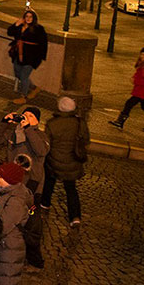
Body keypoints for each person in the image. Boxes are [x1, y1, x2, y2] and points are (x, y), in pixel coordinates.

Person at [43, 96, 90, 226]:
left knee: (49, 182)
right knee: (71, 189)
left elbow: (47, 143)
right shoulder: (80, 123)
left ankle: (45, 204)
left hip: (54, 160)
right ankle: (75, 216)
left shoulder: (52, 123)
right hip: (72, 161)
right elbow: (86, 140)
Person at [0, 106, 49, 193]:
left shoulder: (41, 136)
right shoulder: (14, 132)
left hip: (30, 179)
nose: (27, 117)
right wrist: (4, 122)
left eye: (30, 116)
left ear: (37, 121)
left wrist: (28, 129)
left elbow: (41, 151)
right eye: (25, 115)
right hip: (11, 175)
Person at [109, 46, 144, 133]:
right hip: (140, 89)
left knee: (129, 103)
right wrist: (134, 78)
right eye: (141, 54)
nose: (142, 56)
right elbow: (138, 73)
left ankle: (120, 121)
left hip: (143, 90)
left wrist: (136, 81)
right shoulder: (143, 63)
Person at [7, 9, 47, 104]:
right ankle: (34, 88)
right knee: (18, 73)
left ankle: (23, 96)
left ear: (34, 18)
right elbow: (9, 32)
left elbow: (43, 43)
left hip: (31, 56)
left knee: (24, 76)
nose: (28, 18)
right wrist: (16, 24)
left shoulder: (38, 29)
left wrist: (40, 57)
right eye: (27, 16)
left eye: (30, 17)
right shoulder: (20, 26)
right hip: (19, 54)